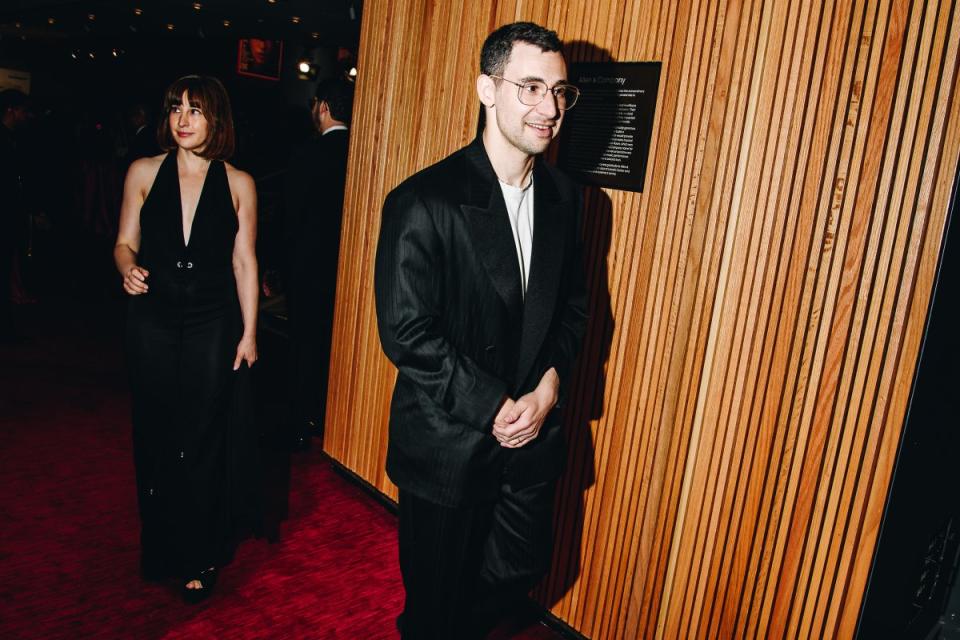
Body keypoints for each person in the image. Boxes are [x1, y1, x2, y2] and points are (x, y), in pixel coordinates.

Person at [374, 22, 588, 638]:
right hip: (448, 446)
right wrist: (491, 405)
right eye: (529, 87)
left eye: (559, 91)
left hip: (531, 442)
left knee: (515, 577)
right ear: (486, 91)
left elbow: (574, 307)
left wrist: (551, 386)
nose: (549, 108)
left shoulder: (566, 198)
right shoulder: (422, 201)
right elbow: (407, 331)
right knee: (436, 610)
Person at [113, 75, 261, 603]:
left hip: (211, 323)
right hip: (150, 321)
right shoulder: (143, 172)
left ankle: (199, 553)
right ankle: (161, 546)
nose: (182, 118)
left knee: (200, 436)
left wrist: (249, 332)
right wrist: (128, 267)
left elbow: (245, 261)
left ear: (216, 119)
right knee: (154, 432)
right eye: (176, 107)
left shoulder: (239, 182)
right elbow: (124, 242)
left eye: (195, 110)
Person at [283, 78, 354, 449]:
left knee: (303, 346)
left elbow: (290, 218)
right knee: (335, 344)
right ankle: (332, 420)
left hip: (308, 269)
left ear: (323, 107)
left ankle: (300, 421)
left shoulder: (306, 155)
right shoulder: (361, 155)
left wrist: (277, 269)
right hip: (349, 271)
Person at [0, 89, 31, 339]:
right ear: (11, 109)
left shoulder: (13, 138)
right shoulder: (5, 139)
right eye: (22, 110)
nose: (25, 115)